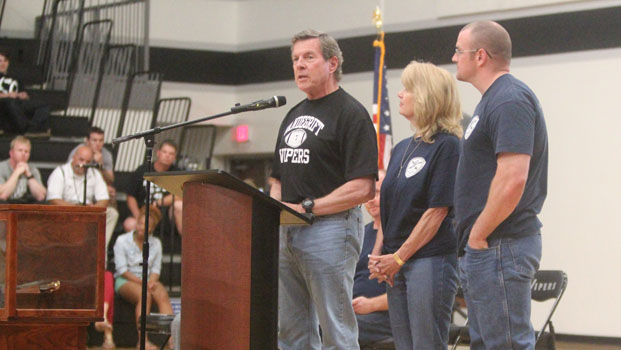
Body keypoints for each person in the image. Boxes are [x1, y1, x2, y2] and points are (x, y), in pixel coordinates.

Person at [269, 29, 378, 350]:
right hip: (286, 231)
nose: (299, 65)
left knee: (336, 328)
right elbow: (277, 180)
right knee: (291, 330)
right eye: (295, 59)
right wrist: (273, 215)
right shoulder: (292, 115)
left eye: (308, 57)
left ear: (332, 63)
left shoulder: (351, 114)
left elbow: (363, 188)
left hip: (330, 230)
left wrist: (309, 207)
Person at [452, 21, 548, 350]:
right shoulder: (492, 101)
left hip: (499, 246)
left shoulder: (509, 99)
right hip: (488, 248)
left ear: (480, 56)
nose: (453, 58)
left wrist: (478, 235)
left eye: (458, 51)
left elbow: (512, 178)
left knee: (505, 345)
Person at [368, 61, 462, 350]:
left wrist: (398, 258)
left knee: (426, 345)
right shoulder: (401, 148)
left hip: (429, 260)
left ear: (426, 95)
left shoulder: (448, 146)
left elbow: (437, 211)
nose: (400, 94)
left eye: (407, 89)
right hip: (398, 262)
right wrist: (380, 257)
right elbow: (391, 211)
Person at [114, 205, 173, 350]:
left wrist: (152, 281)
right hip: (127, 280)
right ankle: (143, 341)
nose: (142, 228)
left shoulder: (156, 243)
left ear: (152, 229)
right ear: (136, 222)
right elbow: (122, 270)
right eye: (140, 224)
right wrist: (143, 283)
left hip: (148, 280)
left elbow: (156, 269)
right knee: (144, 295)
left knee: (161, 293)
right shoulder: (122, 241)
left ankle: (172, 340)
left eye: (147, 227)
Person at [354, 170, 392, 347]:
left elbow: (409, 291)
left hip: (385, 316)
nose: (370, 199)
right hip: (353, 311)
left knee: (335, 328)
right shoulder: (359, 233)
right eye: (368, 193)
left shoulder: (399, 235)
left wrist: (371, 304)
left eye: (376, 193)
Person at [124, 140, 183, 235]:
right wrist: (139, 217)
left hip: (166, 216)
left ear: (174, 157)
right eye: (164, 152)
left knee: (180, 205)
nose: (167, 155)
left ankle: (187, 245)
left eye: (171, 154)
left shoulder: (178, 172)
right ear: (158, 153)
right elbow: (131, 196)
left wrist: (159, 202)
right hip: (144, 212)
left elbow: (182, 194)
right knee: (129, 224)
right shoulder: (143, 170)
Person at [0, 51, 49, 135]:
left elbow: (23, 93)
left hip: (17, 103)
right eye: (0, 61)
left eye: (5, 61)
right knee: (10, 102)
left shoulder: (15, 77)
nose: (3, 64)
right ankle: (25, 128)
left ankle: (31, 128)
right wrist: (7, 95)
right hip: (4, 104)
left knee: (43, 105)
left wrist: (24, 95)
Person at [68, 126, 116, 203]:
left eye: (101, 140)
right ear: (87, 141)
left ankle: (109, 212)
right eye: (94, 140)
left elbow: (110, 180)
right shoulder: (78, 151)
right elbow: (71, 172)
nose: (98, 144)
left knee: (111, 191)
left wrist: (100, 166)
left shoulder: (106, 155)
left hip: (97, 185)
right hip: (78, 183)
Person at [0, 136, 46, 203]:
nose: (23, 154)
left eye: (26, 151)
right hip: (6, 206)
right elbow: (2, 196)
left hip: (25, 205)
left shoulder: (32, 169)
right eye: (20, 150)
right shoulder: (2, 167)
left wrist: (29, 175)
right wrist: (17, 173)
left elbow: (41, 196)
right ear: (11, 153)